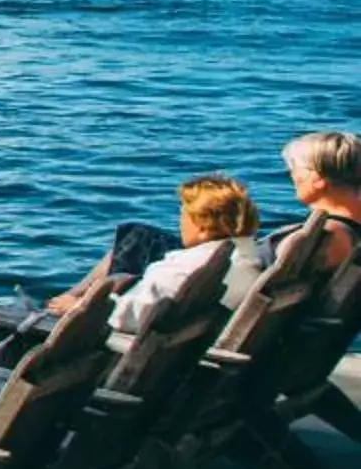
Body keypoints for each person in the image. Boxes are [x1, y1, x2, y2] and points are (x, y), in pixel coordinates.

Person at [50, 174, 269, 336]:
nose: (180, 221)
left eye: (183, 213)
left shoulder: (184, 272)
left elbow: (133, 317)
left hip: (121, 349)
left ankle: (52, 308)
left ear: (203, 226)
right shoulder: (248, 257)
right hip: (188, 335)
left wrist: (80, 308)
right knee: (137, 238)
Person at [279, 130, 361, 274]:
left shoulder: (323, 237)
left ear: (317, 178)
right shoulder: (351, 233)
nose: (291, 175)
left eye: (294, 169)